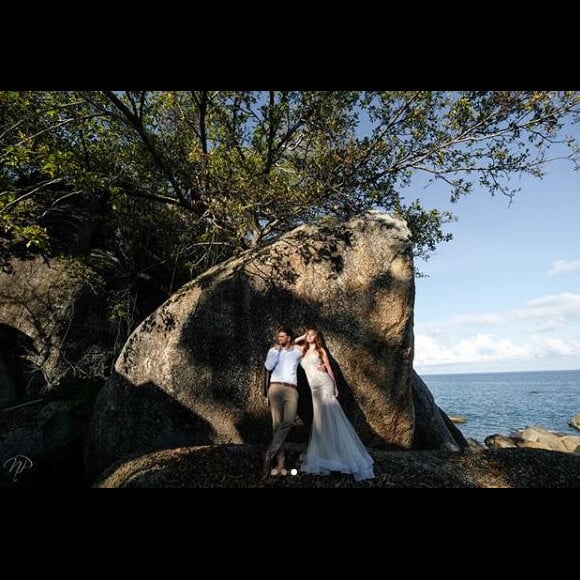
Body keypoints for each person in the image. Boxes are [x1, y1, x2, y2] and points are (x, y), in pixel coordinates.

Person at [298, 326, 375, 481]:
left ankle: (340, 454)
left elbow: (328, 367)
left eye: (312, 334)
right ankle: (325, 453)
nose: (309, 336)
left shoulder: (321, 351)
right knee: (320, 421)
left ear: (317, 337)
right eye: (308, 334)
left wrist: (335, 385)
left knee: (332, 418)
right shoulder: (301, 350)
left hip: (324, 383)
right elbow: (290, 344)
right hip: (314, 389)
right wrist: (302, 336)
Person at [262, 325, 307, 476]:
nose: (279, 339)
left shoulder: (297, 351)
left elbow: (309, 343)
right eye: (278, 336)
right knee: (276, 424)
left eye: (282, 336)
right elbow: (268, 366)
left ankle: (269, 452)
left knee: (288, 421)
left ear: (288, 338)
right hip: (275, 388)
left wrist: (296, 341)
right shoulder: (273, 350)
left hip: (291, 389)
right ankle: (280, 462)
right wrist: (276, 352)